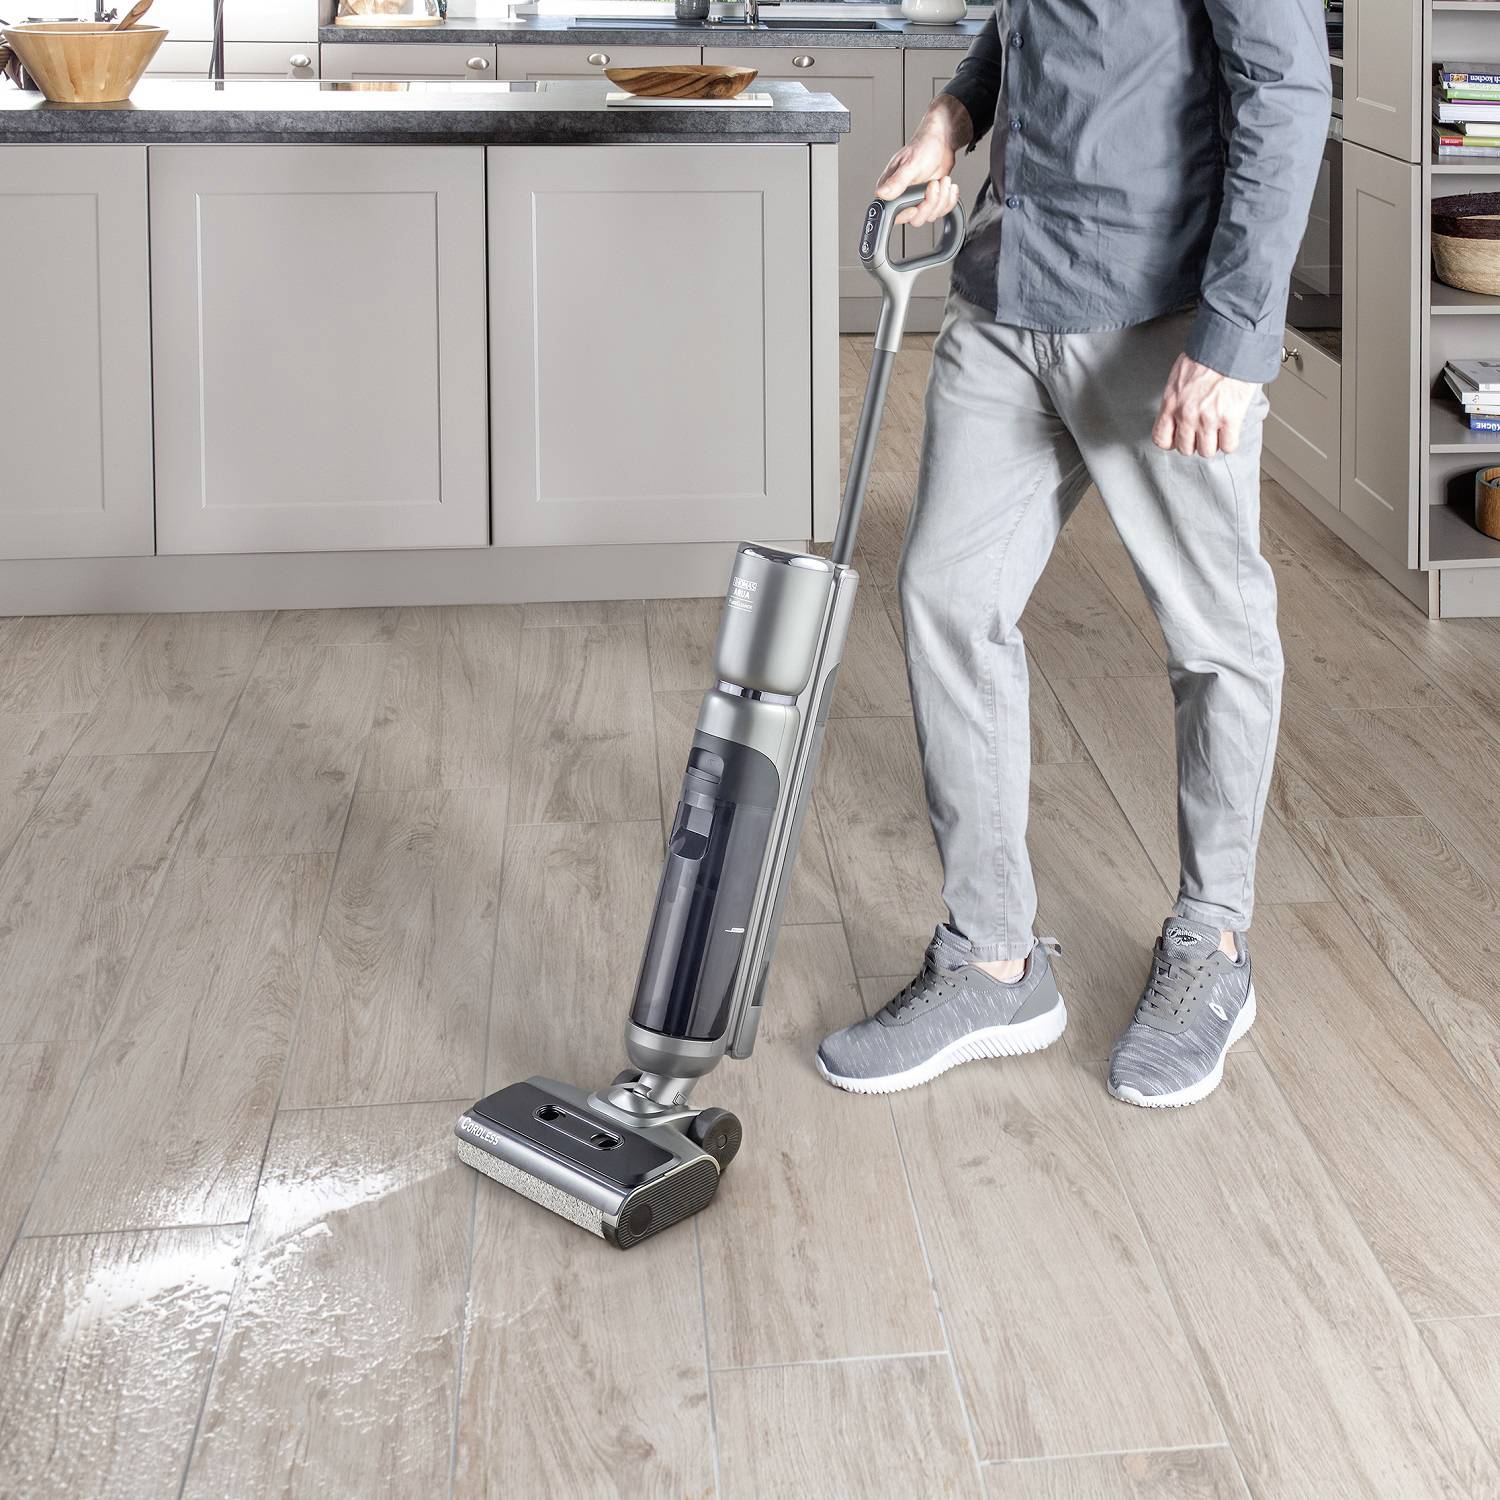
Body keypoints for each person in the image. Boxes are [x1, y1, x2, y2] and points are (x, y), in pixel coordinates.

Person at [816, 0, 1331, 1107]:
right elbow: (1026, 27)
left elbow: (1285, 93)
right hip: (1011, 290)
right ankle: (994, 960)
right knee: (947, 600)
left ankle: (1214, 942)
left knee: (1215, 635)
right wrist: (957, 115)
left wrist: (1235, 338)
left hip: (1162, 313)